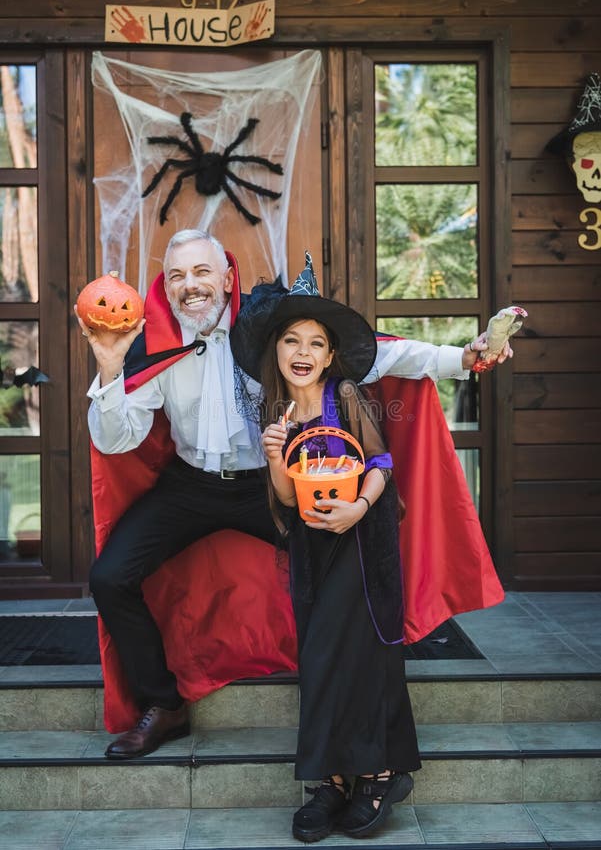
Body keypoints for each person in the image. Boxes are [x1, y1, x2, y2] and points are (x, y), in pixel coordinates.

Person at [78, 229, 507, 761]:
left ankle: (339, 704)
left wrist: (463, 359)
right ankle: (164, 706)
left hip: (272, 483)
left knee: (338, 576)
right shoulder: (153, 345)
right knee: (110, 577)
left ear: (228, 277)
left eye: (202, 272)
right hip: (189, 486)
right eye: (176, 277)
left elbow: (378, 356)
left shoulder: (268, 328)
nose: (190, 286)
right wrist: (111, 367)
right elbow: (115, 439)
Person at [231, 258, 422, 841]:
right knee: (318, 658)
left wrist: (358, 509)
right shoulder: (274, 412)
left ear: (331, 354)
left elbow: (382, 463)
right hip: (313, 549)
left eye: (316, 341)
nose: (303, 350)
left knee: (361, 654)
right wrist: (272, 455)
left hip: (362, 542)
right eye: (292, 339)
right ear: (276, 350)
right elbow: (287, 499)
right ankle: (330, 782)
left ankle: (378, 774)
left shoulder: (345, 394)